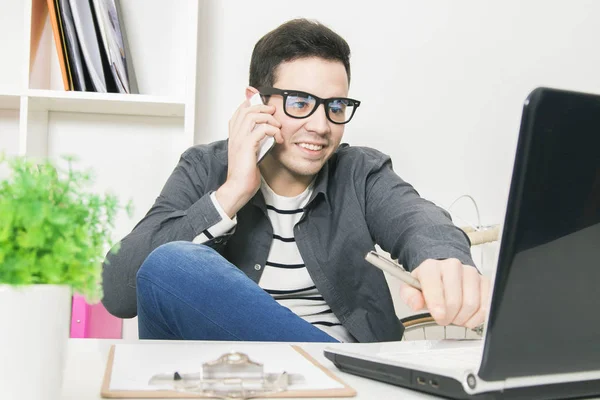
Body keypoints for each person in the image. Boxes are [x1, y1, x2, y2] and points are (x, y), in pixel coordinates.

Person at [101, 18, 490, 343]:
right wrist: (232, 192)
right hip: (227, 378)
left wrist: (444, 258)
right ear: (255, 102)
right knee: (171, 264)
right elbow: (119, 292)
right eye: (300, 102)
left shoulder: (359, 172)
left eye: (336, 106)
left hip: (346, 375)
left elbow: (418, 219)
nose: (320, 126)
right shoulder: (204, 167)